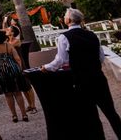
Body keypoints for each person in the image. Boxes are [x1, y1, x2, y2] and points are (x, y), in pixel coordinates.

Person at [42, 8, 121, 139]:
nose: (64, 18)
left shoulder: (64, 37)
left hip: (81, 81)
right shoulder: (92, 34)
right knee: (111, 113)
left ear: (69, 20)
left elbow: (61, 60)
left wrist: (47, 67)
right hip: (98, 78)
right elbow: (100, 57)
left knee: (92, 117)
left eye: (65, 16)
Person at [6, 25, 37, 114]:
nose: (7, 30)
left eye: (9, 29)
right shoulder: (8, 41)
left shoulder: (17, 41)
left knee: (27, 86)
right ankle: (30, 105)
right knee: (22, 86)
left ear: (12, 33)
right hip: (14, 66)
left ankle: (33, 105)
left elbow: (8, 48)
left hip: (20, 65)